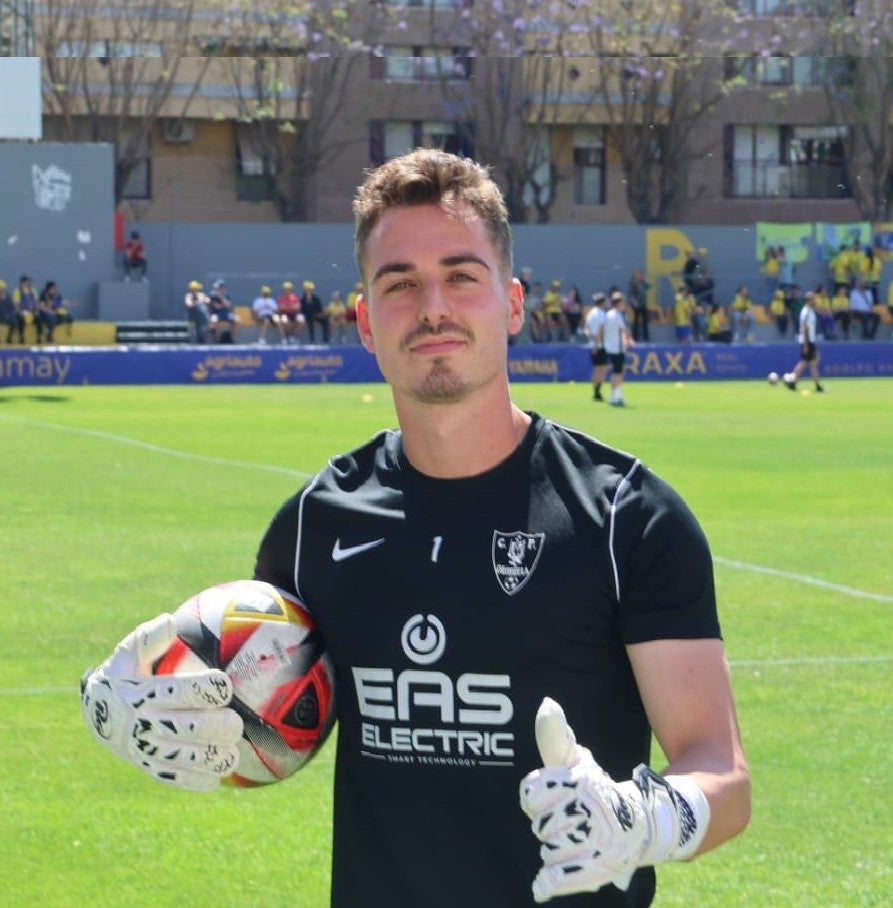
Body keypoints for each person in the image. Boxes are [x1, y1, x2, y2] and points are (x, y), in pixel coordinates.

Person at [80, 148, 751, 908]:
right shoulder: (313, 520)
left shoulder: (628, 516)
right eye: (399, 283)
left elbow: (720, 773)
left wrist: (649, 821)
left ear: (513, 302)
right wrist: (135, 699)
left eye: (462, 276)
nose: (433, 306)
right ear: (365, 320)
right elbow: (257, 709)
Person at [785, 290, 826, 393]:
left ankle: (793, 381)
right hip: (807, 341)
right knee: (810, 362)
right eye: (813, 299)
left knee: (807, 362)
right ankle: (815, 385)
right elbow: (804, 328)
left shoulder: (810, 311)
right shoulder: (806, 312)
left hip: (809, 341)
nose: (815, 301)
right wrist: (806, 344)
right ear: (808, 300)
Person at [601, 291, 634, 406]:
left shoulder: (608, 314)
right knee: (618, 372)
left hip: (610, 346)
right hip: (618, 347)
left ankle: (615, 395)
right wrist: (629, 340)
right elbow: (625, 330)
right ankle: (616, 396)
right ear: (619, 303)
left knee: (616, 371)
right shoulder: (617, 315)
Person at [583, 291, 609, 401]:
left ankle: (596, 391)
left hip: (592, 344)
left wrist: (592, 339)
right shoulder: (602, 314)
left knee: (596, 369)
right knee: (601, 369)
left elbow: (586, 329)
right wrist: (597, 344)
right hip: (600, 346)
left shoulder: (591, 313)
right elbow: (601, 331)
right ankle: (597, 391)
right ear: (602, 302)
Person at [208, 279, 237, 343]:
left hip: (226, 313)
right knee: (213, 321)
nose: (217, 289)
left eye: (219, 288)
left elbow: (228, 305)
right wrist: (223, 305)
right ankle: (218, 340)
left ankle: (232, 340)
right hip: (216, 313)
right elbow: (216, 307)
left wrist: (221, 297)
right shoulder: (212, 295)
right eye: (216, 288)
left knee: (237, 321)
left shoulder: (226, 294)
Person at [11, 274, 38, 343]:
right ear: (21, 283)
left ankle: (39, 337)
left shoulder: (33, 290)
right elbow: (16, 305)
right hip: (22, 311)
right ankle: (21, 336)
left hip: (32, 312)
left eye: (28, 283)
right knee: (20, 319)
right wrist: (21, 313)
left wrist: (35, 311)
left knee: (39, 318)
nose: (27, 284)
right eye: (25, 283)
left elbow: (36, 302)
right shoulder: (17, 291)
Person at [627, 268, 651, 342]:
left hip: (643, 304)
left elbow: (648, 286)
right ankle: (635, 337)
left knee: (645, 321)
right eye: (639, 274)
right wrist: (634, 302)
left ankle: (646, 337)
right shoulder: (633, 282)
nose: (640, 276)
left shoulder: (642, 282)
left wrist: (645, 280)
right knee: (636, 321)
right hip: (636, 305)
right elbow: (631, 293)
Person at [0, 279, 17, 344]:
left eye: (2, 288)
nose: (1, 290)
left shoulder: (8, 296)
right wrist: (0, 300)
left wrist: (9, 314)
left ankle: (9, 338)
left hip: (7, 315)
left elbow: (11, 307)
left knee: (14, 321)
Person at [184, 279, 211, 344]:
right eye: (194, 289)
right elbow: (189, 304)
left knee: (203, 332)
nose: (196, 290)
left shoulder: (201, 294)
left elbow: (208, 301)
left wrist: (204, 299)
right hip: (193, 317)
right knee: (193, 334)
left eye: (197, 289)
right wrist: (198, 301)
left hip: (202, 318)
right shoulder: (189, 295)